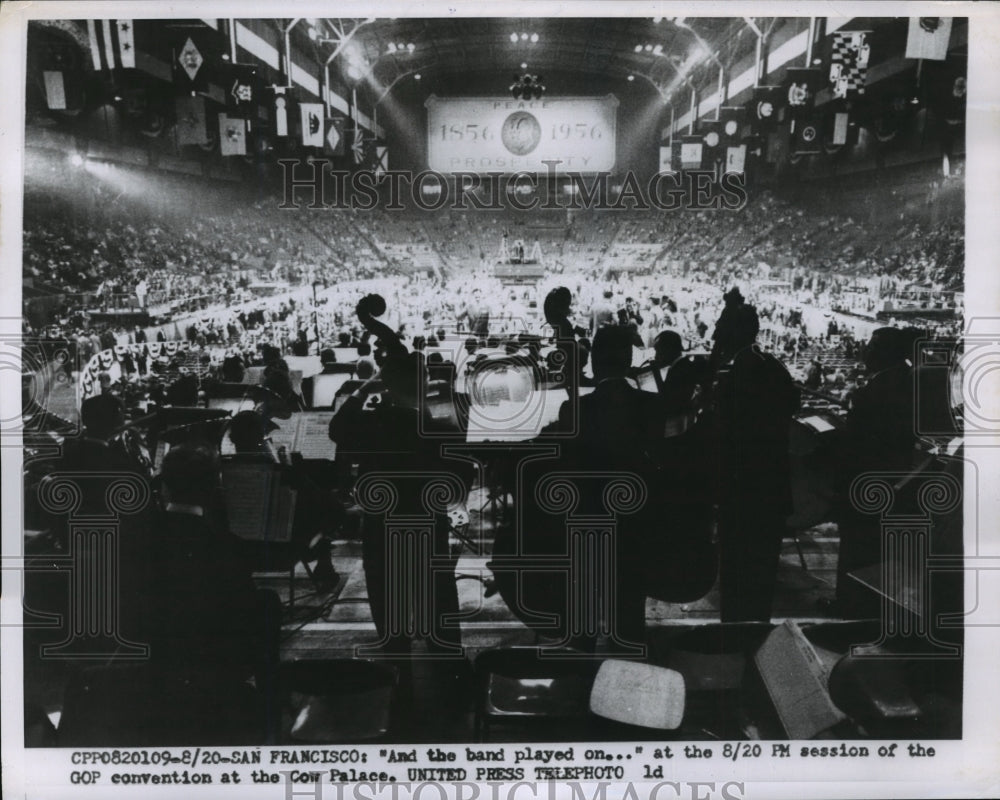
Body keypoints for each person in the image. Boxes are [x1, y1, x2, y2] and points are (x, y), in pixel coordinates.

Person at [713, 302, 800, 623]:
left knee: (737, 583)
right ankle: (752, 642)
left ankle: (738, 642)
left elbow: (725, 436)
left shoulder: (738, 373)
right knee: (759, 583)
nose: (716, 332)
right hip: (770, 491)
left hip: (742, 493)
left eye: (721, 325)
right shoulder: (771, 366)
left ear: (734, 331)